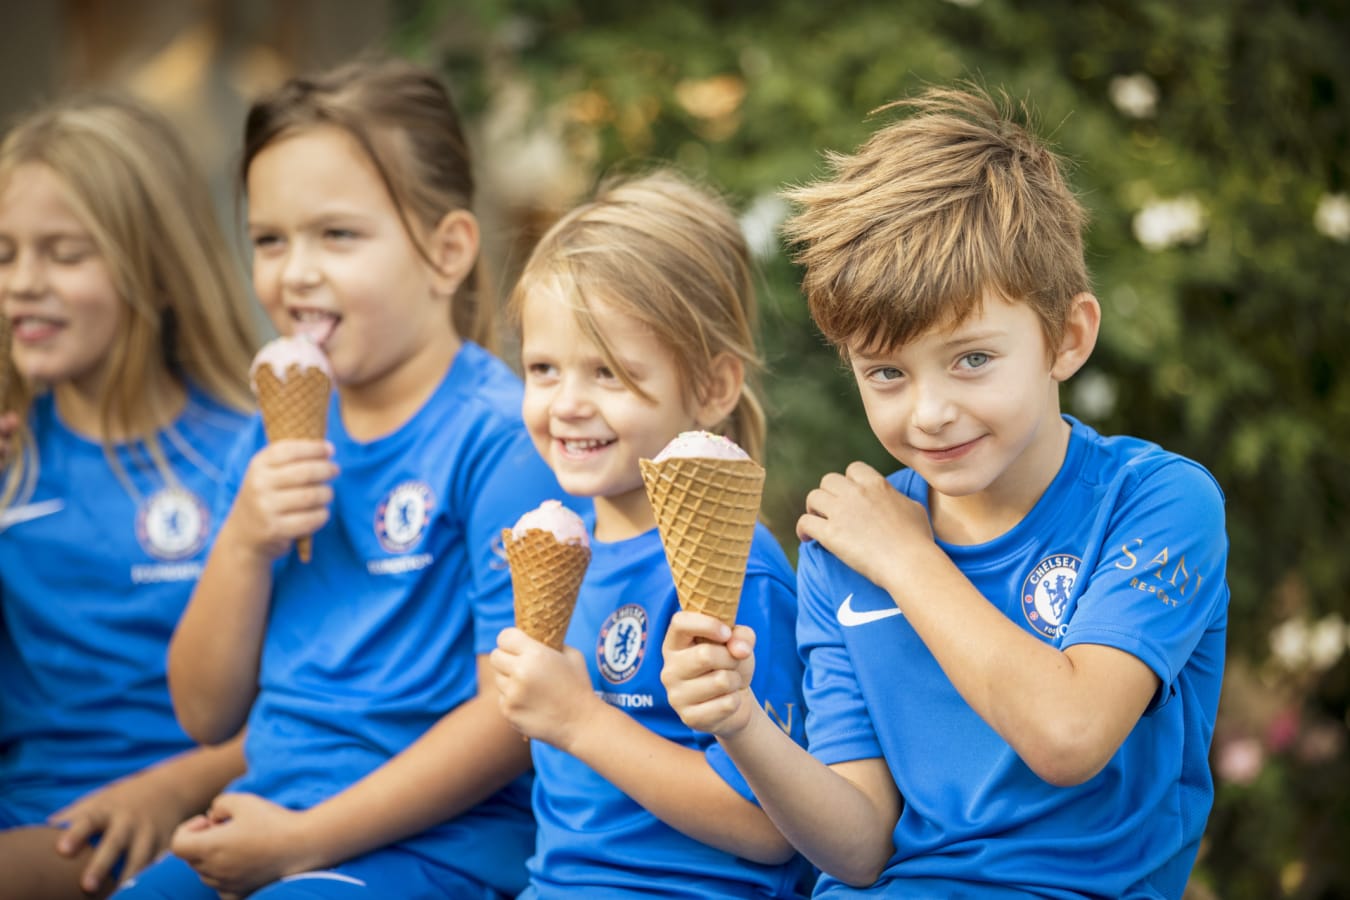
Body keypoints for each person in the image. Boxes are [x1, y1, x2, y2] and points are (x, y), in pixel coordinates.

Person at [662, 86, 1230, 899]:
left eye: (972, 360)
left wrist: (908, 561)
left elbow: (1069, 737)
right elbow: (857, 849)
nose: (930, 413)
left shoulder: (1159, 502)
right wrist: (740, 723)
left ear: (1066, 337)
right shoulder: (844, 545)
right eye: (887, 374)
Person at [117, 59, 572, 899]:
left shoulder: (500, 438)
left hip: (441, 846)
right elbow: (204, 711)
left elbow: (512, 718)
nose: (295, 273)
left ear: (446, 253)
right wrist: (245, 544)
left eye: (338, 235)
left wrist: (303, 843)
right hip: (269, 811)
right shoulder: (265, 440)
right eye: (269, 239)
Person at [489, 169, 811, 898]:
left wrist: (579, 721)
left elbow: (769, 830)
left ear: (712, 388)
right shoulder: (566, 551)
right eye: (543, 369)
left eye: (608, 373)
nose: (566, 404)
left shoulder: (736, 575)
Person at [0, 93, 258, 899]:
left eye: (65, 254)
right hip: (31, 818)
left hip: (196, 822)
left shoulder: (253, 454)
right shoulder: (10, 457)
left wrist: (176, 786)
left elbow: (329, 691)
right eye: (4, 254)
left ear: (154, 266)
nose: (23, 285)